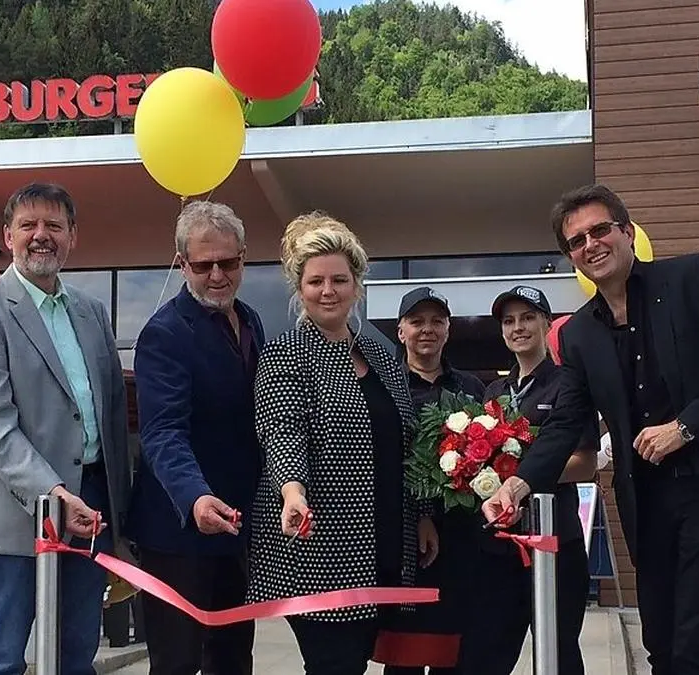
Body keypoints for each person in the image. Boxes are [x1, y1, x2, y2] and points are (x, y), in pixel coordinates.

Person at [483, 184, 699, 675]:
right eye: (577, 241)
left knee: (694, 646)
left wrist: (685, 427)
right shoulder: (578, 335)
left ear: (627, 232)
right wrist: (517, 485)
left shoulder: (691, 278)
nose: (591, 245)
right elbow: (565, 423)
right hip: (646, 500)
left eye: (600, 230)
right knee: (660, 645)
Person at [0, 182, 130, 675]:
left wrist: (120, 514)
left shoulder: (92, 312)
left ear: (73, 236)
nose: (41, 235)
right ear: (8, 236)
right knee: (0, 659)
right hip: (16, 513)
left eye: (54, 225)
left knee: (76, 656)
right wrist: (53, 494)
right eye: (28, 225)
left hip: (90, 509)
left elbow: (113, 418)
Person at [248, 212, 438, 675]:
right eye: (315, 281)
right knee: (335, 665)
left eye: (339, 279)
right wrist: (292, 490)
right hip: (320, 546)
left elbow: (408, 441)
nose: (328, 290)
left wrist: (423, 514)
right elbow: (282, 429)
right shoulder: (286, 352)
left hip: (386, 541)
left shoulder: (382, 356)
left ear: (357, 285)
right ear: (300, 290)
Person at [126, 201, 263, 675]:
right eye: (204, 266)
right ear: (182, 264)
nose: (218, 275)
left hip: (236, 528)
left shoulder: (251, 319)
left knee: (233, 659)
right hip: (178, 531)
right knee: (177, 663)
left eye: (228, 262)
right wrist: (195, 497)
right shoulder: (163, 334)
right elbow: (162, 432)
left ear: (243, 257)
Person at [450, 285, 599, 675]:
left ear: (546, 324)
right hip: (500, 548)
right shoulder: (494, 392)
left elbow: (585, 464)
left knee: (558, 654)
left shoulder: (569, 384)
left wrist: (520, 476)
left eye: (528, 317)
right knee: (485, 654)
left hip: (555, 542)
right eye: (509, 321)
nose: (518, 327)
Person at [376, 287, 484, 675]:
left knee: (455, 657)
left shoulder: (471, 388)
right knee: (403, 659)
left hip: (462, 539)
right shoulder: (385, 387)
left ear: (448, 329)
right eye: (417, 321)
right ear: (400, 331)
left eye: (437, 321)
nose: (427, 329)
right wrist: (419, 513)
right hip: (405, 541)